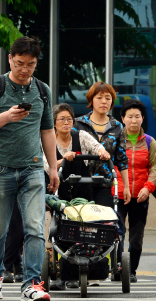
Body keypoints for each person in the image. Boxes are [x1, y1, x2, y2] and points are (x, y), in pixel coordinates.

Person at [0, 36, 59, 301]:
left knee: (35, 227)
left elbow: (47, 130)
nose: (24, 69)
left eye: (31, 64)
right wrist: (7, 116)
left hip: (33, 168)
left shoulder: (43, 90)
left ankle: (33, 283)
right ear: (10, 59)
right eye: (20, 63)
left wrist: (54, 168)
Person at [43, 103, 109, 290]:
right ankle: (60, 274)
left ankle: (82, 271)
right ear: (54, 122)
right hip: (59, 191)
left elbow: (96, 146)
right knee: (60, 232)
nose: (66, 122)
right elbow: (46, 166)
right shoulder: (48, 139)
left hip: (83, 191)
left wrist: (101, 152)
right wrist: (64, 159)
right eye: (62, 119)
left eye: (69, 119)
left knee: (82, 230)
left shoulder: (80, 135)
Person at [116, 99, 156, 284]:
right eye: (130, 117)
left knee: (136, 238)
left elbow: (155, 168)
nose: (133, 120)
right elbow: (109, 165)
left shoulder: (150, 142)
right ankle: (117, 269)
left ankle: (131, 271)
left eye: (137, 116)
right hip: (118, 195)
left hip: (140, 196)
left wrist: (147, 188)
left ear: (143, 118)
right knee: (116, 235)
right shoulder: (116, 140)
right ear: (123, 119)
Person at [73, 81, 131, 209]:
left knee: (103, 222)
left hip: (104, 185)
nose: (104, 101)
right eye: (99, 97)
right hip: (80, 182)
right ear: (91, 100)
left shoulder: (117, 127)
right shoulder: (78, 124)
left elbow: (122, 159)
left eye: (108, 98)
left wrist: (126, 187)